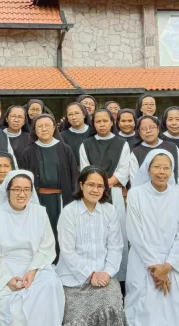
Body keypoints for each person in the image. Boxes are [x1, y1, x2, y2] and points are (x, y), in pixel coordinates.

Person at [0, 170, 65, 325]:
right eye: (17, 189)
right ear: (8, 191)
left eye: (26, 189)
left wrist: (32, 271)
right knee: (16, 310)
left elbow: (46, 247)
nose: (22, 194)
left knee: (51, 284)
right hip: (3, 271)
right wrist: (7, 280)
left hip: (34, 267)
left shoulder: (39, 213)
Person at [125, 149, 179, 326]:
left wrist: (167, 267)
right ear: (148, 169)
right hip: (143, 263)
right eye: (157, 167)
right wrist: (156, 269)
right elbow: (135, 234)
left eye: (166, 168)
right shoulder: (136, 195)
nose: (162, 172)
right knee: (143, 311)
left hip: (173, 265)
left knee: (176, 313)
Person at [56, 166, 126, 326]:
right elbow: (67, 251)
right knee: (77, 316)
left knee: (112, 304)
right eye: (91, 185)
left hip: (104, 277)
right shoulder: (69, 212)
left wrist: (107, 273)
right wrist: (90, 274)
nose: (95, 190)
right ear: (81, 185)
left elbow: (116, 247)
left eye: (100, 186)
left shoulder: (109, 211)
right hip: (74, 279)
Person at [79, 109, 130, 282]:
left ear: (111, 123)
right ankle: (93, 273)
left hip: (113, 192)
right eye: (98, 122)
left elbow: (123, 169)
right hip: (91, 195)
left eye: (105, 121)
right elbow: (85, 168)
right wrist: (96, 187)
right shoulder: (86, 144)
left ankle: (117, 276)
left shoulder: (122, 143)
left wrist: (103, 185)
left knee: (116, 235)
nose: (101, 124)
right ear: (93, 124)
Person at [21, 114, 78, 254]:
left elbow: (74, 176)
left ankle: (60, 262)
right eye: (39, 126)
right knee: (40, 232)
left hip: (61, 199)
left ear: (54, 128)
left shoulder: (65, 149)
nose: (44, 129)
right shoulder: (29, 151)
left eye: (47, 125)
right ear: (34, 130)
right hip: (38, 199)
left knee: (61, 232)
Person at [128, 116, 179, 196]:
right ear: (139, 132)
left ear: (158, 129)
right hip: (147, 197)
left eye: (152, 127)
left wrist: (177, 194)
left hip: (173, 195)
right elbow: (135, 180)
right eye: (144, 128)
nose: (148, 131)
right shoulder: (136, 152)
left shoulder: (172, 147)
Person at [60, 102, 93, 166]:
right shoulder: (62, 136)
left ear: (84, 115)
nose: (73, 117)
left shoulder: (93, 133)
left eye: (77, 113)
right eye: (70, 114)